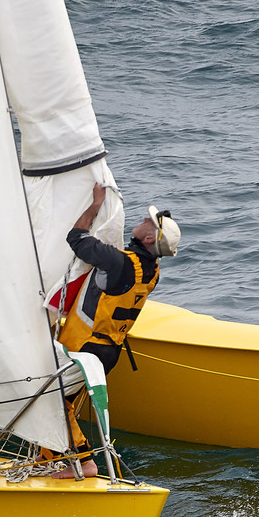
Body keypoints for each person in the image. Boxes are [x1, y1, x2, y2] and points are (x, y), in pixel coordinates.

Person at [47, 183, 181, 478]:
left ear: (148, 238)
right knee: (65, 402)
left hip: (87, 347)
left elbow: (76, 238)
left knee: (53, 402)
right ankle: (56, 455)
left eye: (148, 221)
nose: (144, 219)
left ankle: (85, 462)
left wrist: (95, 206)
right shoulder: (152, 270)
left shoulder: (119, 262)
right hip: (110, 351)